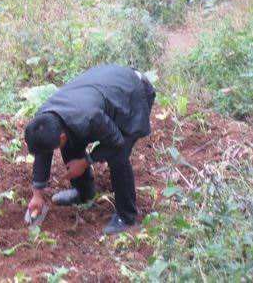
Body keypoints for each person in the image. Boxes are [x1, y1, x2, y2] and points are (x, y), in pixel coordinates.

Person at [24, 64, 155, 234]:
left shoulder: (91, 117)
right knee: (71, 143)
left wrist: (86, 161)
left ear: (60, 136)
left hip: (134, 94)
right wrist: (37, 193)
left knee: (118, 157)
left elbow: (117, 142)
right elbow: (43, 150)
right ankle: (84, 192)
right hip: (104, 88)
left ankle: (127, 217)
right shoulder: (45, 118)